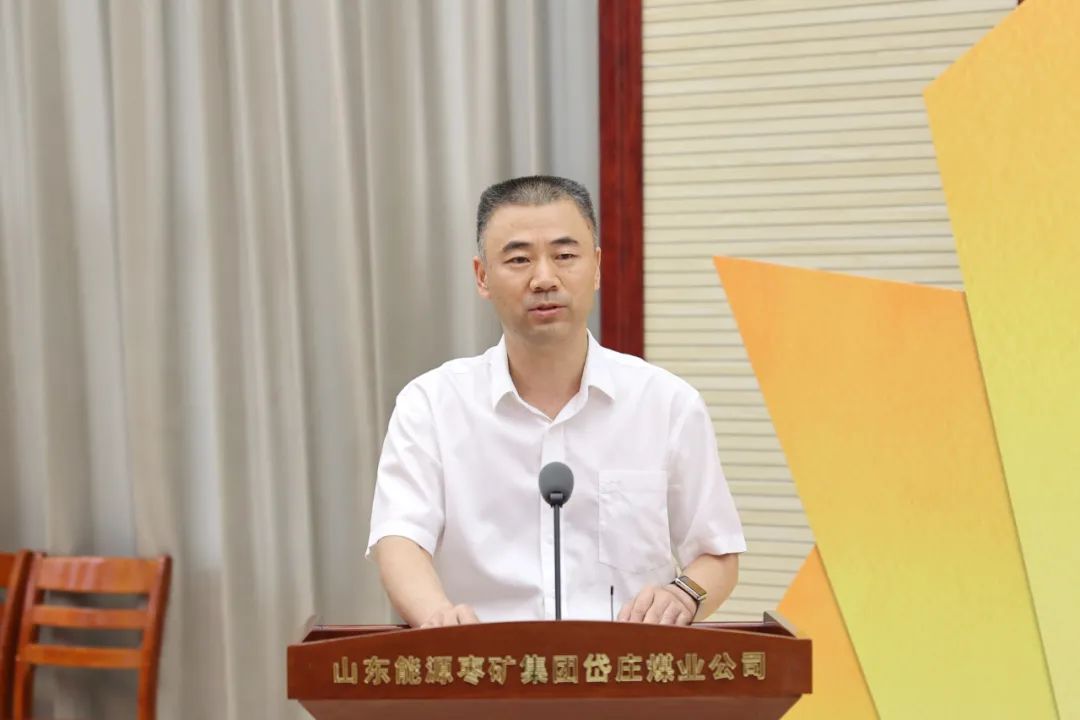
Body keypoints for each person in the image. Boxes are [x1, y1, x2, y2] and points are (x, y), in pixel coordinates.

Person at [367, 176, 745, 628]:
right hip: (482, 663)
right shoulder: (430, 405)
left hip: (622, 666)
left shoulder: (667, 404)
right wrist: (438, 622)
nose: (544, 278)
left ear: (597, 267)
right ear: (482, 276)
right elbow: (399, 538)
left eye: (565, 256)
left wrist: (684, 595)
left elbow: (717, 552)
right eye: (519, 259)